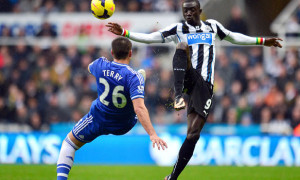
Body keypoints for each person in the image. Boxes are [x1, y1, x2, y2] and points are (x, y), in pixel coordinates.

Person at [106, 0, 283, 179]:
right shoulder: (179, 29)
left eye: (191, 10)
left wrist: (262, 41)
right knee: (181, 46)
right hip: (188, 77)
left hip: (205, 85)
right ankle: (178, 96)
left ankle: (173, 176)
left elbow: (234, 37)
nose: (188, 14)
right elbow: (152, 37)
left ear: (199, 10)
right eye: (185, 11)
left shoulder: (212, 26)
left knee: (193, 134)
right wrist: (125, 33)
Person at [56, 37, 168, 180]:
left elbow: (90, 67)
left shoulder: (100, 64)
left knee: (69, 143)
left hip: (98, 119)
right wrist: (152, 134)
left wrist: (103, 63)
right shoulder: (132, 76)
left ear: (112, 52)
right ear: (130, 54)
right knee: (135, 94)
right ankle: (137, 87)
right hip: (123, 124)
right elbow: (139, 108)